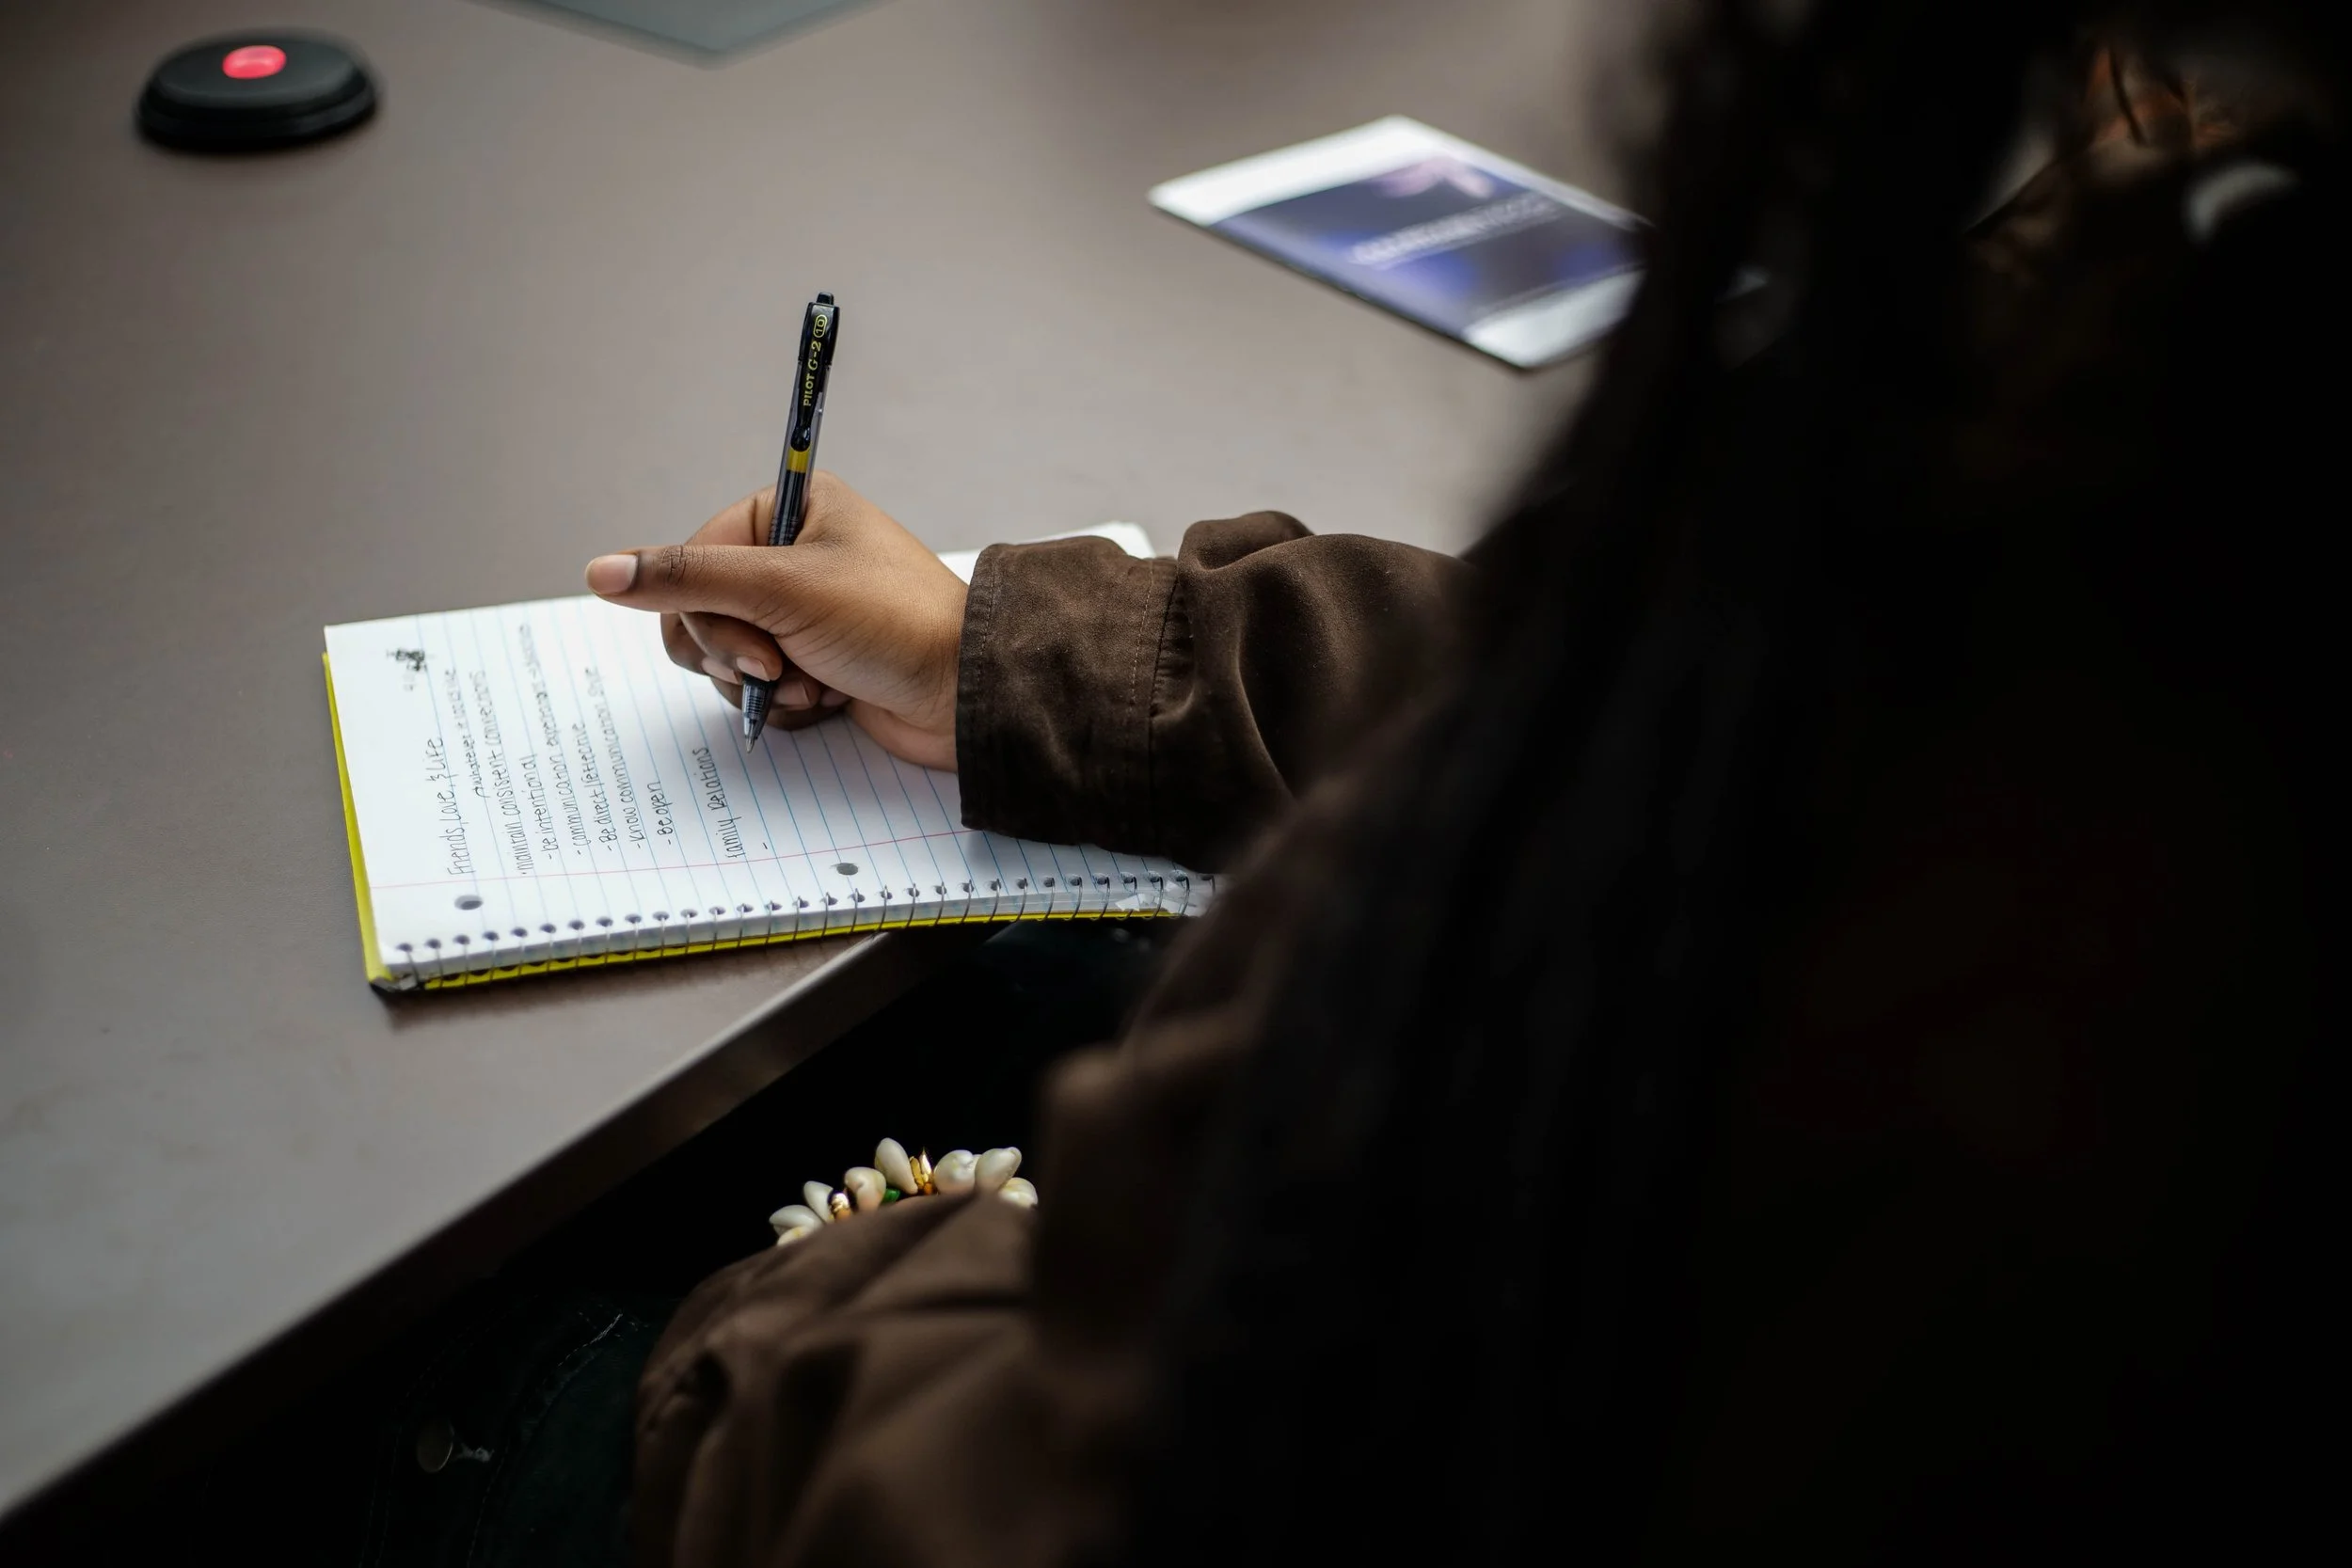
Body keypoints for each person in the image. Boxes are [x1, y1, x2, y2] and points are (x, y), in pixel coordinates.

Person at [311, 1, 2352, 1561]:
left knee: (407, 1342)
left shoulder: (2061, 839)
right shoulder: (2147, 390)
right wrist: (1019, 656)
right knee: (1014, 938)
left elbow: (1106, 1488)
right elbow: (1650, 668)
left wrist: (796, 1302)